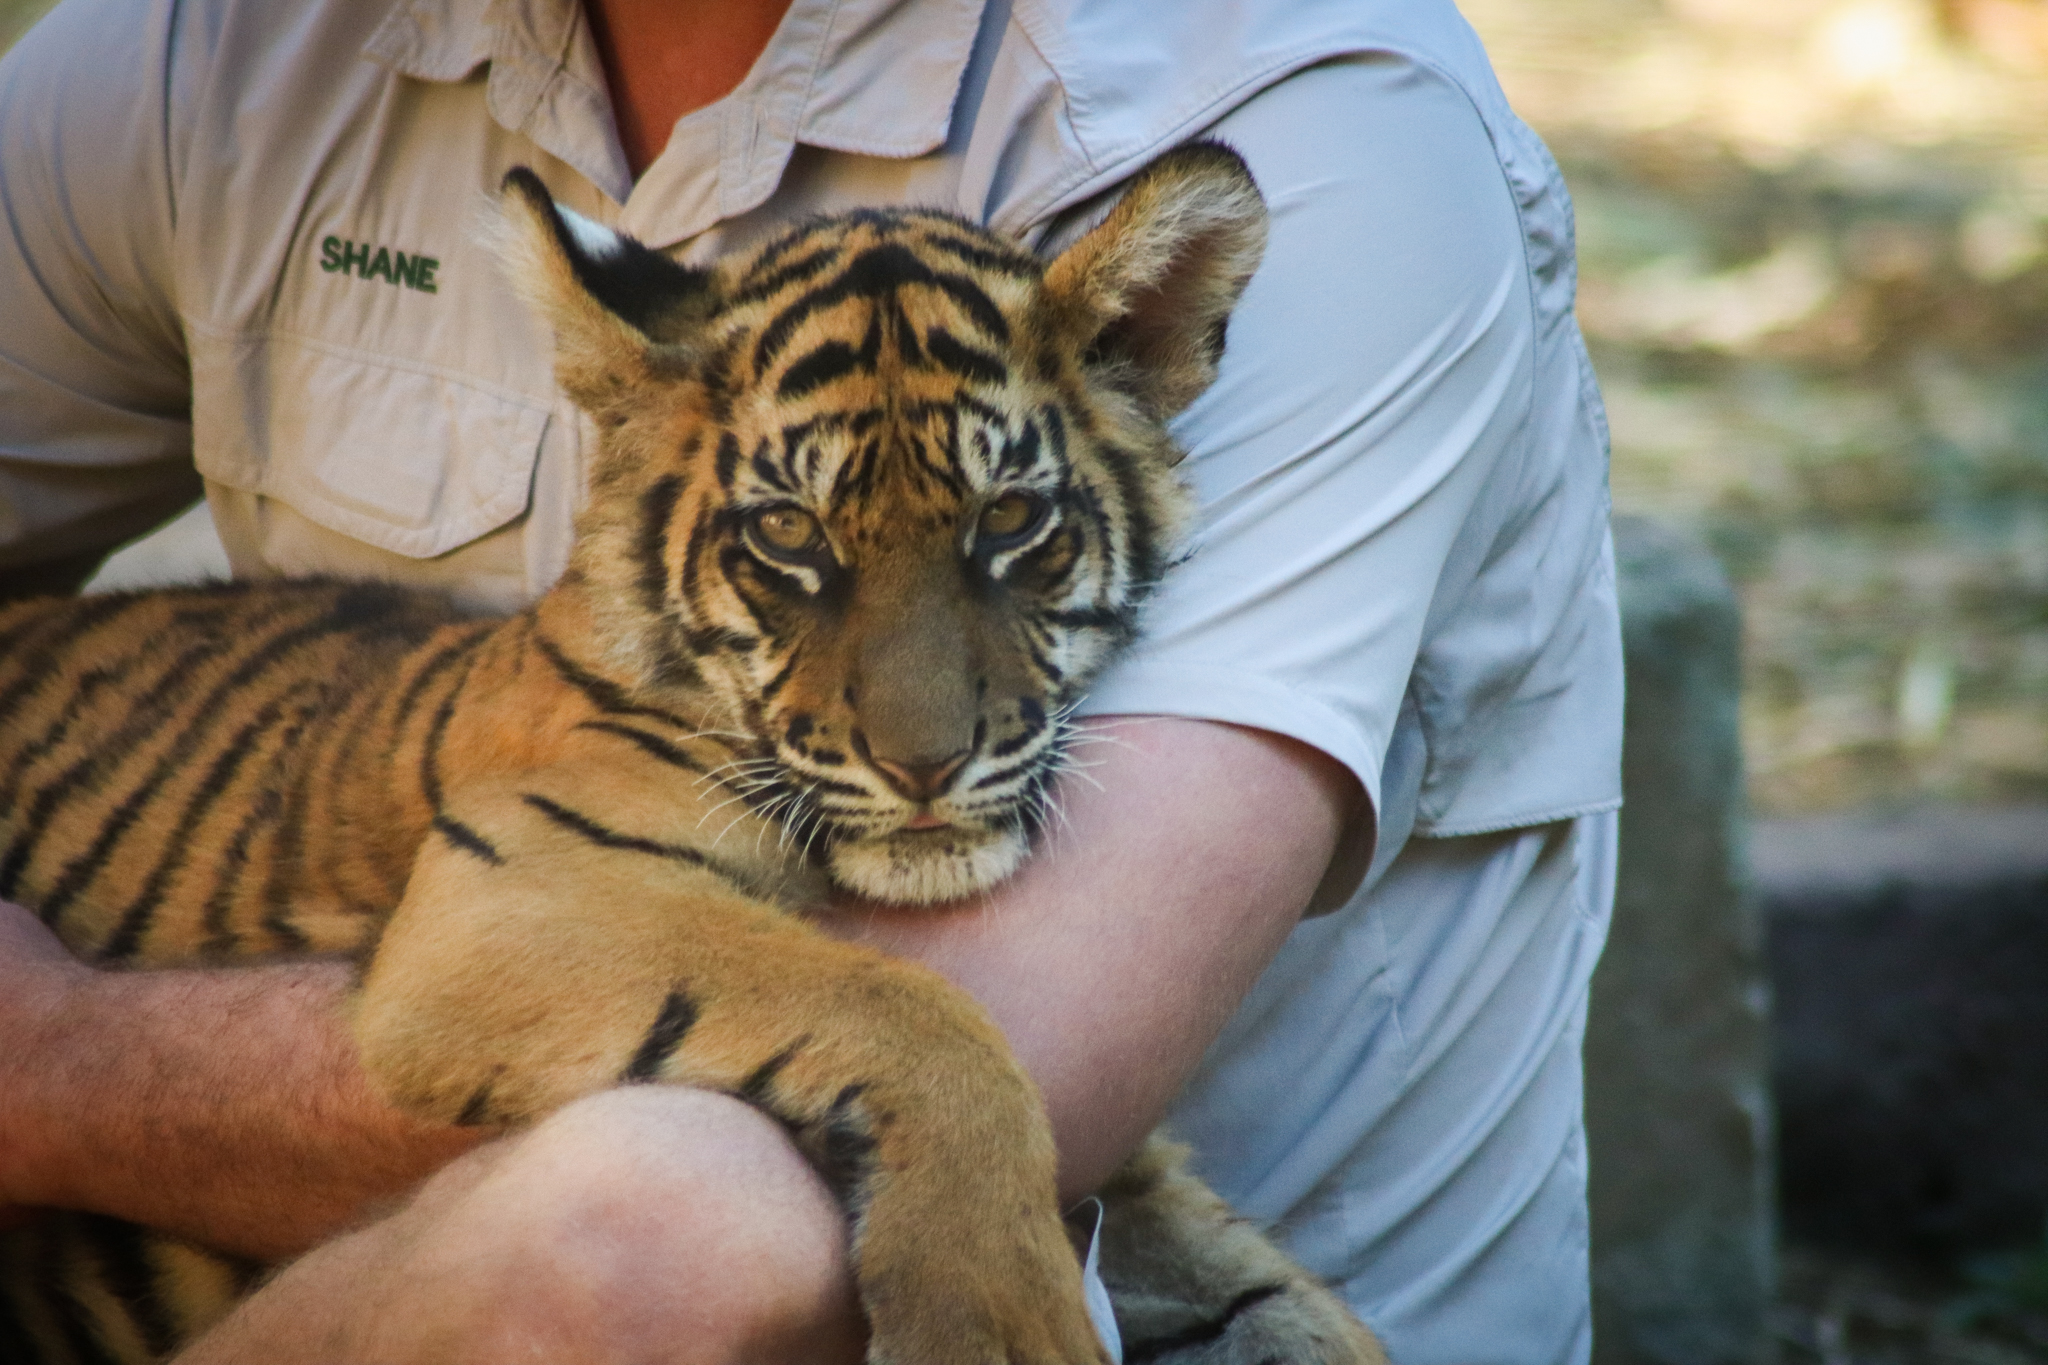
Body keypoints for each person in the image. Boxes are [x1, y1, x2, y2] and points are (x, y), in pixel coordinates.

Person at [0, 0, 1624, 1361]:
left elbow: (1001, 1097)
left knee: (670, 1217)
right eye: (789, 554)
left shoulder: (1300, 122)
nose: (920, 730)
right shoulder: (227, 46)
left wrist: (56, 1065)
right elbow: (495, 993)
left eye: (1016, 541)